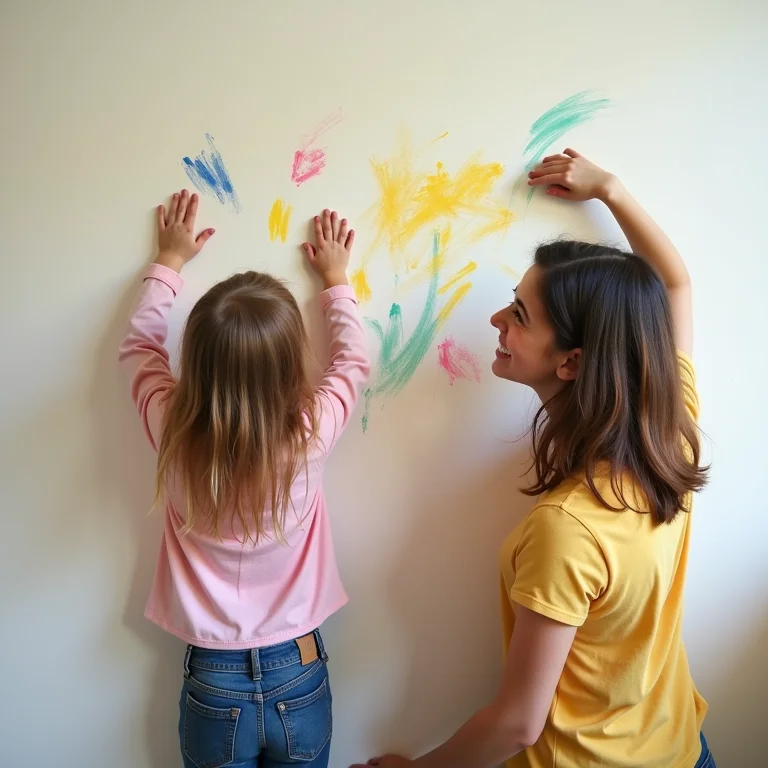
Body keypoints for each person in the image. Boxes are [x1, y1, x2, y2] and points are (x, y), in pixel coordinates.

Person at [352, 149, 715, 768]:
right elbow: (674, 283)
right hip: (680, 750)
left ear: (571, 362)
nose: (496, 318)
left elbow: (518, 724)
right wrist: (611, 190)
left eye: (518, 314)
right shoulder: (672, 435)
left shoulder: (569, 528)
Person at [119, 194, 369, 768]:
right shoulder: (311, 431)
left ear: (198, 362)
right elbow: (353, 362)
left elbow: (139, 348)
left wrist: (169, 262)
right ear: (290, 365)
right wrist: (335, 280)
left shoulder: (173, 432)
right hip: (298, 668)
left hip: (213, 674)